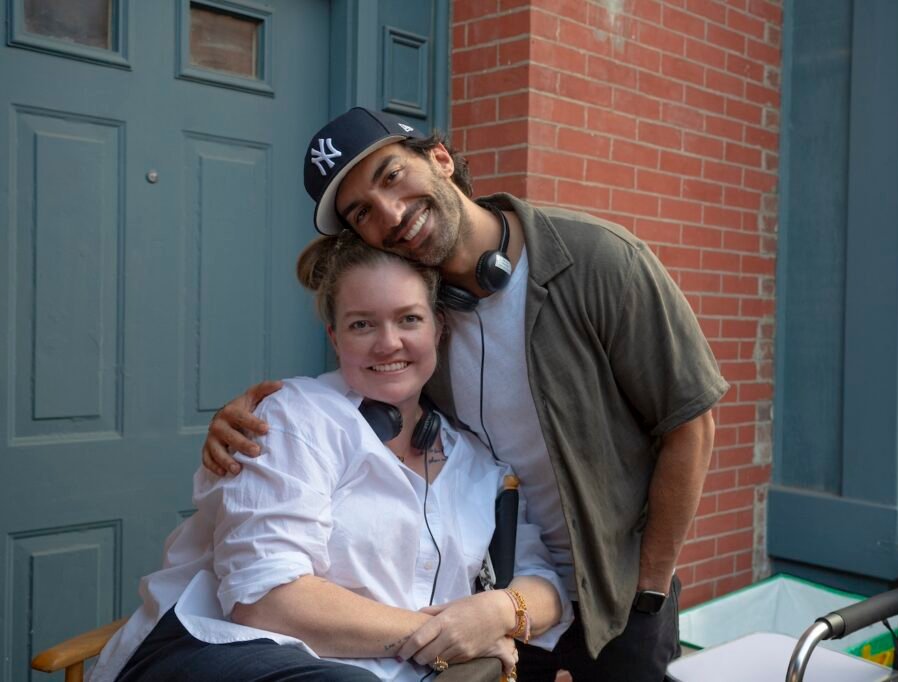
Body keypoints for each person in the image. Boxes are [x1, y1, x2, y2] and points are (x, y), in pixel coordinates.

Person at [204, 107, 729, 681]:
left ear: (440, 158)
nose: (392, 213)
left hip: (617, 595)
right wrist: (250, 414)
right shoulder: (420, 320)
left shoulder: (599, 259)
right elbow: (365, 374)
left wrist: (650, 588)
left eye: (391, 176)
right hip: (498, 600)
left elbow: (690, 422)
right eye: (363, 212)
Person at [89, 231, 569, 682]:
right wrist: (444, 641)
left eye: (409, 319)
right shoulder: (293, 419)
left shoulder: (480, 463)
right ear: (335, 338)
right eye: (362, 324)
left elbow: (546, 584)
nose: (388, 343)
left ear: (439, 328)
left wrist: (499, 613)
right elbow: (265, 598)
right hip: (232, 654)